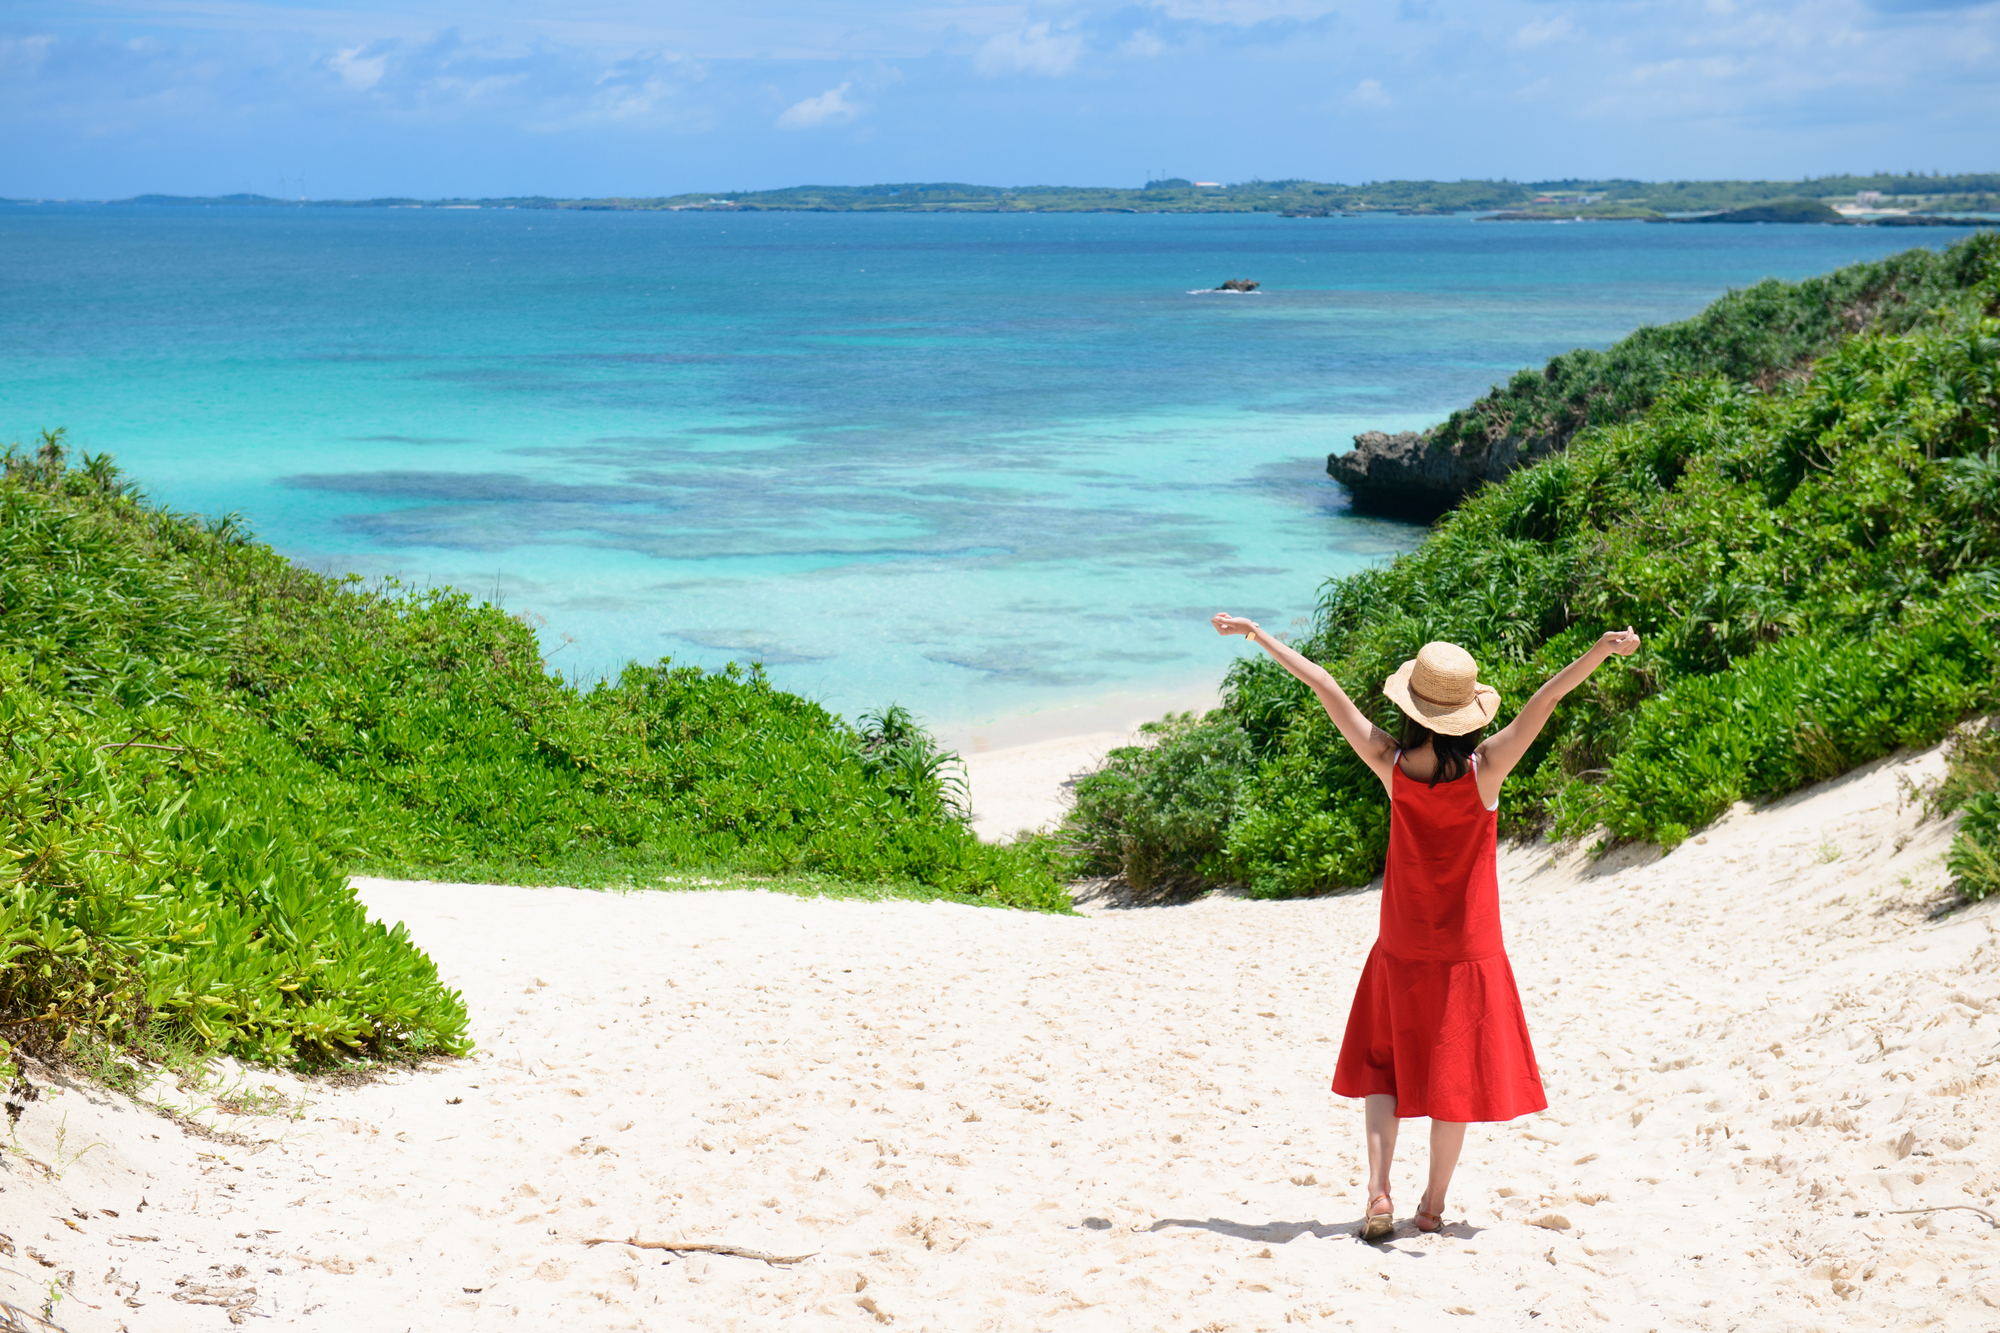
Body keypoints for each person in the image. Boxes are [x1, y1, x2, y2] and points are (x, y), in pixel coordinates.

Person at [1209, 614, 1641, 1241]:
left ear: (1411, 706)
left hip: (1403, 941)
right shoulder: (1487, 767)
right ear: (1468, 713)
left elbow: (1324, 685)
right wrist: (1601, 649)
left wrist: (1257, 635)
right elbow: (1548, 697)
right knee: (1453, 1074)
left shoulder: (1390, 763)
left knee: (1383, 1065)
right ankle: (1431, 1208)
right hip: (1469, 947)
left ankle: (1378, 1190)